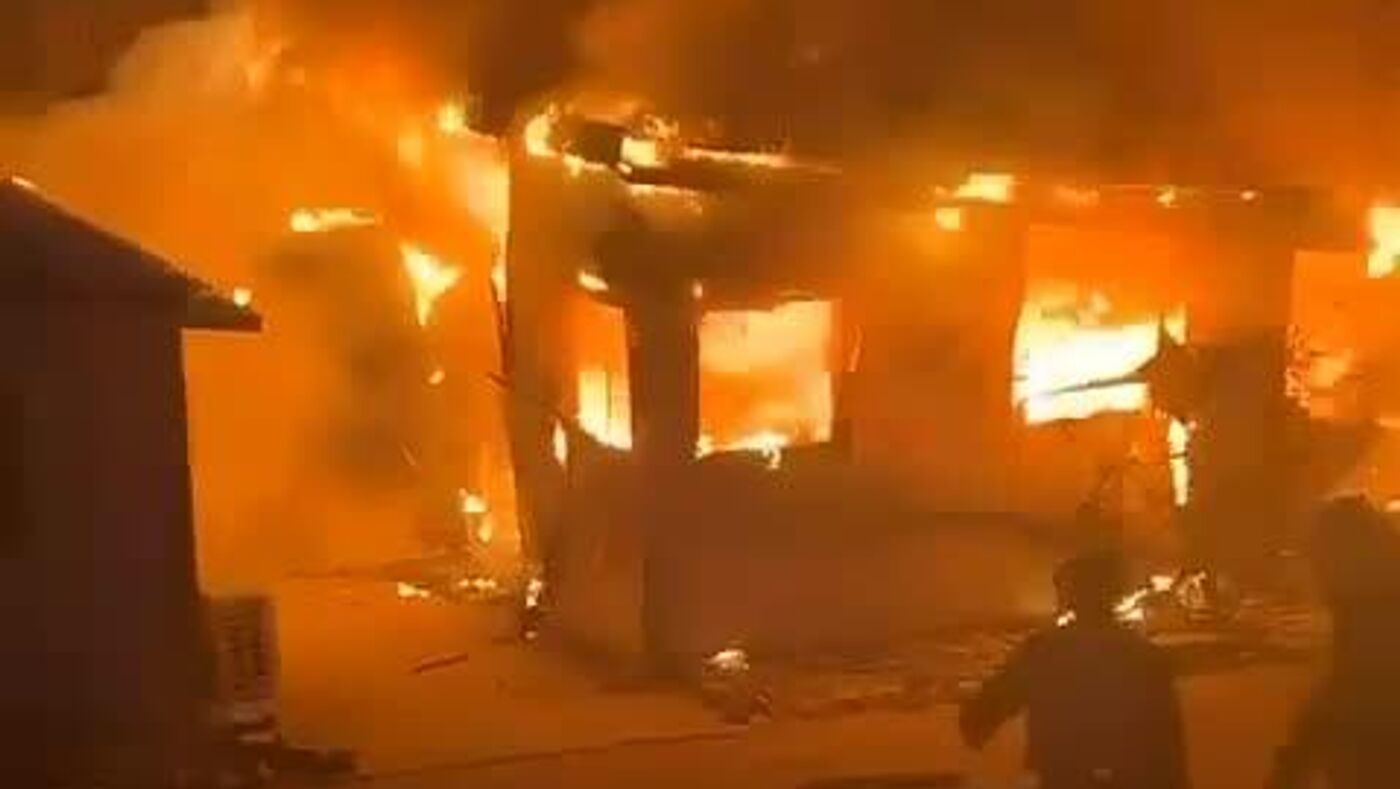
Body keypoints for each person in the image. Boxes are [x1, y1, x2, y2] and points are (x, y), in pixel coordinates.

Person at [959, 548, 1189, 789]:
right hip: (1131, 778)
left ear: (1070, 596)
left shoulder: (1044, 651)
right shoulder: (1144, 655)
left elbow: (990, 705)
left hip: (1064, 777)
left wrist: (975, 724)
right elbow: (1167, 737)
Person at [1269, 496, 1400, 789]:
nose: (1313, 574)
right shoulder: (1366, 609)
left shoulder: (1369, 614)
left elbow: (1346, 693)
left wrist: (1291, 767)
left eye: (1318, 558)